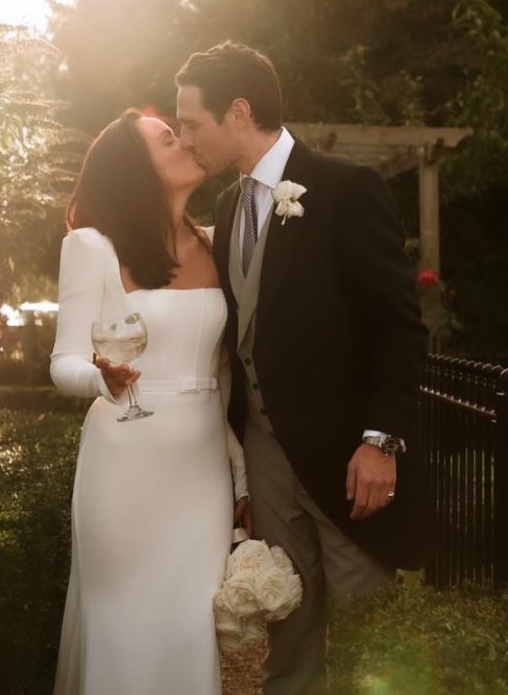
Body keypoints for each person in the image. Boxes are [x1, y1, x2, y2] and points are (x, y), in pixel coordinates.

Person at [176, 41, 433, 695]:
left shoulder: (347, 190)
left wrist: (381, 441)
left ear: (237, 112)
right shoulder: (229, 208)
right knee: (286, 633)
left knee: (367, 634)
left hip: (346, 460)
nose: (185, 138)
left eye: (191, 123)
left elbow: (399, 325)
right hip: (266, 456)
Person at [50, 109, 250, 695]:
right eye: (169, 138)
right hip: (125, 465)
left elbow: (225, 380)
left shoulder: (214, 242)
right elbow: (63, 363)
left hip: (200, 472)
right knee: (126, 634)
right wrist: (102, 379)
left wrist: (241, 479)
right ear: (135, 166)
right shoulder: (93, 246)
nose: (186, 141)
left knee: (190, 634)